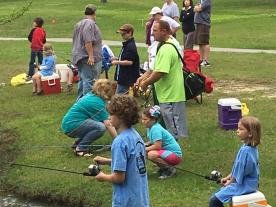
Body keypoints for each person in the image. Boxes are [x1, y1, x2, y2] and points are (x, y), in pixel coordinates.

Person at [93, 95, 150, 207]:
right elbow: (131, 163)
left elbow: (119, 178)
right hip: (140, 198)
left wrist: (102, 176)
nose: (108, 117)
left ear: (121, 117)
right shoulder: (136, 136)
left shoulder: (119, 142)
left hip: (126, 201)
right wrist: (107, 161)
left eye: (111, 114)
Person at [137, 20, 188, 140]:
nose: (152, 34)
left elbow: (160, 72)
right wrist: (143, 77)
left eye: (155, 31)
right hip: (166, 94)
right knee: (169, 125)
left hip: (171, 95)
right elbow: (155, 67)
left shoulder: (166, 49)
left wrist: (145, 83)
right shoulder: (163, 44)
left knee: (173, 129)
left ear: (164, 31)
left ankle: (174, 152)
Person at [209, 116, 261, 207]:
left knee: (214, 200)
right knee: (217, 195)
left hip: (245, 185)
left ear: (250, 134)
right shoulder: (249, 147)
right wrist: (227, 177)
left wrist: (230, 182)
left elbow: (241, 171)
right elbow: (237, 167)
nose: (237, 131)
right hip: (248, 183)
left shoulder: (246, 151)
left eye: (241, 129)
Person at [61, 79, 117, 156]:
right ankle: (80, 149)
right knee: (100, 127)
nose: (113, 95)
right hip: (71, 126)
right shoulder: (97, 102)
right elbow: (108, 123)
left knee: (99, 123)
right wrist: (118, 141)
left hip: (68, 124)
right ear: (106, 93)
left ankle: (77, 144)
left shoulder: (92, 96)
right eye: (113, 93)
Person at [142, 105, 182, 179]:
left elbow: (157, 146)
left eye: (145, 119)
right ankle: (163, 168)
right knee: (148, 153)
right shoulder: (150, 127)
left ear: (153, 120)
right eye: (142, 119)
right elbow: (153, 141)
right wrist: (145, 144)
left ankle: (170, 170)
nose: (143, 121)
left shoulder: (155, 129)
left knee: (151, 154)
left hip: (175, 155)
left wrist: (143, 148)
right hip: (167, 152)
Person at [72, 4, 102, 100]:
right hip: (86, 57)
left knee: (83, 79)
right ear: (94, 13)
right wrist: (91, 56)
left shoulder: (79, 23)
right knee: (89, 80)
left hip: (79, 56)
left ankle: (80, 101)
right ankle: (87, 103)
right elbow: (87, 41)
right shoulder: (89, 23)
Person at [112, 24, 140, 94]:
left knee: (120, 96)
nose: (122, 36)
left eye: (123, 34)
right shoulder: (127, 44)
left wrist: (117, 62)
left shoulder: (130, 46)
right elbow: (126, 57)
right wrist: (118, 58)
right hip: (123, 77)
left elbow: (130, 62)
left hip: (126, 77)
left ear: (130, 33)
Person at [26, 17, 46, 81]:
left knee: (32, 62)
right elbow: (44, 40)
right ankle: (42, 73)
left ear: (36, 23)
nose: (33, 23)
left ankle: (31, 75)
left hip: (34, 48)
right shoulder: (43, 31)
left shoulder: (33, 30)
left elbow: (29, 37)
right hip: (40, 48)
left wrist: (33, 41)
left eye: (34, 22)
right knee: (41, 62)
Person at [194, 0, 212, 67]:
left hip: (204, 24)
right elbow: (194, 9)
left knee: (205, 42)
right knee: (200, 42)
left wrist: (197, 7)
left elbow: (198, 9)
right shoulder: (201, 1)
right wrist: (197, 7)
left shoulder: (207, 1)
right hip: (199, 23)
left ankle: (206, 60)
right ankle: (201, 59)